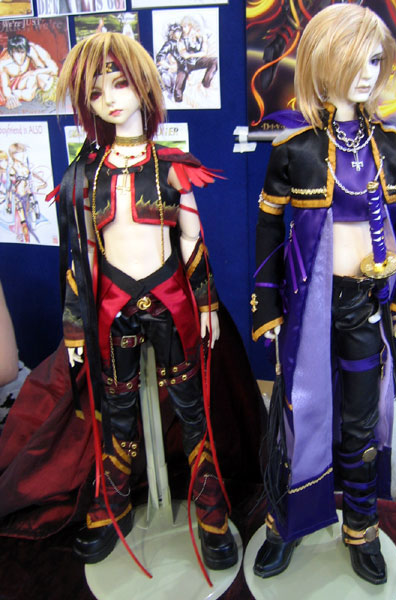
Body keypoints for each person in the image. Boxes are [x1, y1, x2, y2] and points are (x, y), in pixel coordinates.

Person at [51, 32, 237, 570]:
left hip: (170, 300)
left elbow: (192, 239)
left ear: (144, 87)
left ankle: (208, 502)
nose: (109, 98)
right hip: (111, 307)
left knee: (191, 408)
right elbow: (82, 254)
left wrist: (205, 303)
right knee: (117, 409)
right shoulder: (85, 174)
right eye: (95, 91)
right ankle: (113, 501)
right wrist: (75, 325)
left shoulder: (172, 164)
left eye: (120, 83)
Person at [252, 4, 396, 586]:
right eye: (354, 60)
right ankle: (288, 522)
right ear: (323, 64)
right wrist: (268, 307)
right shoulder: (293, 150)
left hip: (367, 307)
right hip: (307, 310)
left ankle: (361, 527)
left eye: (375, 60)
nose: (368, 73)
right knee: (298, 416)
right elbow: (269, 233)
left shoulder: (392, 148)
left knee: (360, 422)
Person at [0, 35, 58, 109]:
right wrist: (9, 96)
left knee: (30, 92)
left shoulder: (30, 52)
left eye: (22, 52)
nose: (20, 57)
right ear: (11, 52)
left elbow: (42, 67)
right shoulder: (4, 64)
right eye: (17, 52)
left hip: (19, 84)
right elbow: (5, 85)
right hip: (4, 87)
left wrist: (37, 72)